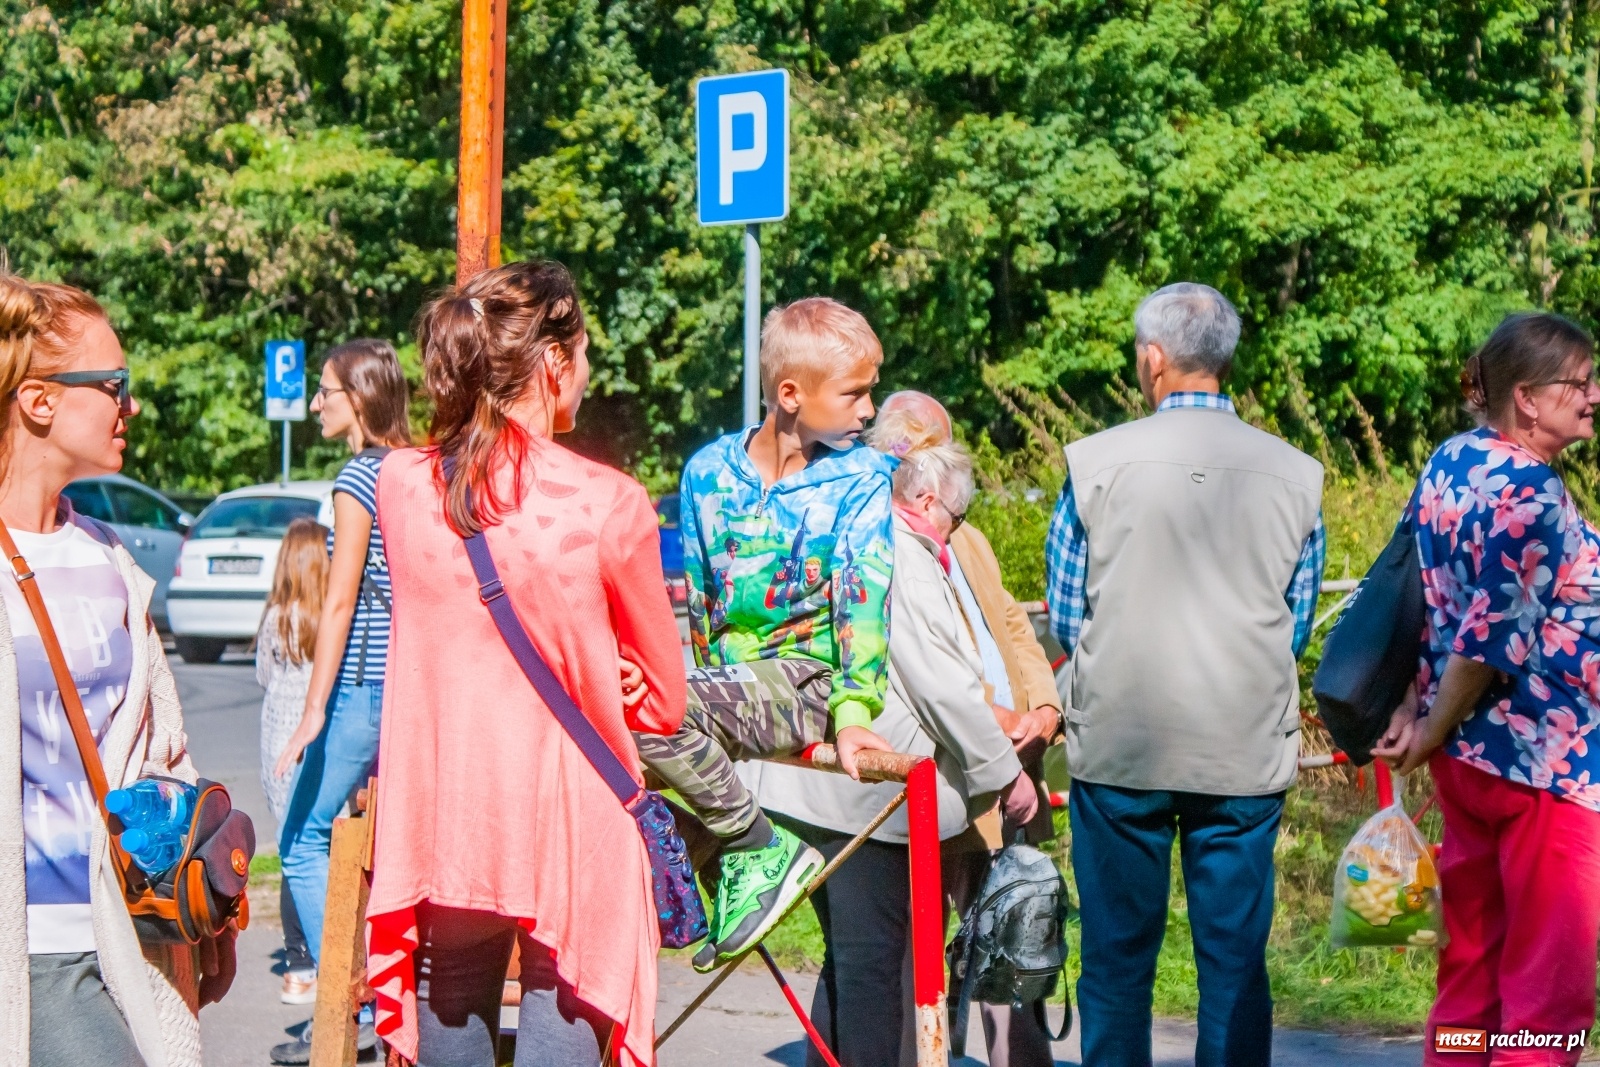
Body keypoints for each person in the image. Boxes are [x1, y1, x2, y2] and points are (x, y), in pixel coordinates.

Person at [363, 260, 686, 1067]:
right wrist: (610, 665)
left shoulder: (400, 486)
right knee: (564, 1013)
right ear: (553, 360)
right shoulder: (609, 501)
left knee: (451, 1007)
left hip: (448, 814)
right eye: (586, 351)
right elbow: (663, 704)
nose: (589, 370)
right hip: (573, 818)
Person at [1045, 282, 1325, 1067]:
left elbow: (1068, 612)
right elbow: (1296, 621)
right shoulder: (1296, 473)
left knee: (1115, 961)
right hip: (1242, 746)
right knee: (1234, 964)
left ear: (1153, 358)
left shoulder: (1094, 463)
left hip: (1121, 743)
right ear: (1226, 359)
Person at [740, 432, 1035, 1067]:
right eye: (956, 516)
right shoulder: (900, 550)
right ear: (927, 502)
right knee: (872, 969)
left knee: (851, 963)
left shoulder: (850, 529)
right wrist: (1005, 774)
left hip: (821, 785)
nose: (956, 531)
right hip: (864, 797)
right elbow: (942, 684)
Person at [634, 297, 898, 971]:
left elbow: (863, 597)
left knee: (655, 712)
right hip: (731, 683)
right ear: (790, 394)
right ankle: (715, 851)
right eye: (854, 393)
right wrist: (705, 692)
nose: (869, 409)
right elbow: (701, 598)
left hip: (810, 678)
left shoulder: (860, 477)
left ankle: (754, 845)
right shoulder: (707, 472)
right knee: (603, 729)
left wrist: (852, 714)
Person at [0, 271, 219, 1066]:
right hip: (28, 942)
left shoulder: (110, 557)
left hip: (131, 926)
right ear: (39, 400)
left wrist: (197, 872)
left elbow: (163, 746)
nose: (133, 406)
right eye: (115, 385)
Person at [1375, 312, 1600, 1067]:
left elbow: (1406, 586)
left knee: (1471, 973)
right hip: (1545, 765)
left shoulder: (1453, 459)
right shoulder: (1534, 494)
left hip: (1470, 766)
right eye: (1581, 382)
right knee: (1545, 998)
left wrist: (1414, 707)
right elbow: (1488, 638)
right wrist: (1431, 724)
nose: (1595, 394)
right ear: (1528, 398)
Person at [873, 391, 1063, 1067]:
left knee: (1017, 936)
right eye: (937, 454)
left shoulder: (967, 536)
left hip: (1006, 764)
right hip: (944, 773)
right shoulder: (884, 541)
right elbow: (931, 670)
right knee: (899, 954)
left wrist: (1044, 708)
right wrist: (999, 721)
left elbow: (1013, 623)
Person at [271, 338, 412, 1064]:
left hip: (361, 687)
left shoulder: (359, 475)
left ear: (357, 397)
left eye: (325, 391)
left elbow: (340, 599)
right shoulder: (416, 467)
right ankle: (389, 1002)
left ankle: (349, 1000)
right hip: (411, 686)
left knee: (301, 841)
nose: (315, 402)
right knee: (386, 850)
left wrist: (313, 710)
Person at [254, 517, 329, 1006]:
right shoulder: (331, 621)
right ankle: (323, 951)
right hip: (315, 739)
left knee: (292, 848)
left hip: (276, 745)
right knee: (317, 848)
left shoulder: (277, 618)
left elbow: (263, 676)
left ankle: (298, 963)